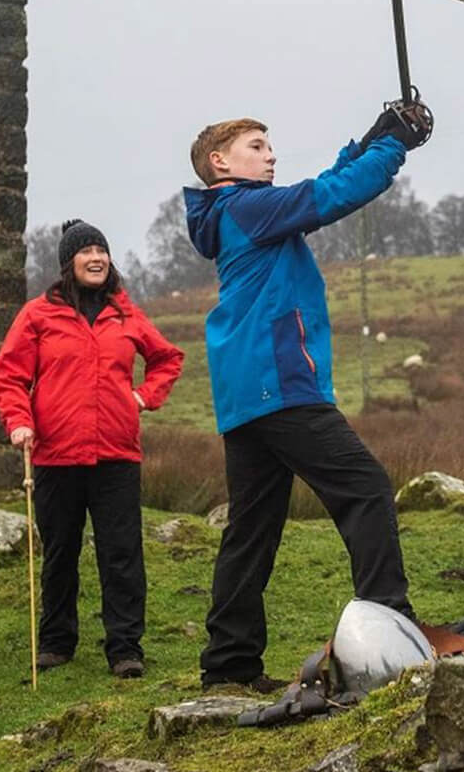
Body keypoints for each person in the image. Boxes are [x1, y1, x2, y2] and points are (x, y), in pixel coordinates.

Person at [183, 103, 430, 690]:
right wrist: (391, 148)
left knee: (252, 529)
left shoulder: (237, 212)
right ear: (220, 162)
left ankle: (228, 665)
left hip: (248, 395)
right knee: (365, 487)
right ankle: (390, 626)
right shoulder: (247, 206)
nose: (270, 156)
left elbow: (323, 183)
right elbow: (330, 195)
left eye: (269, 146)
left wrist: (370, 140)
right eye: (256, 146)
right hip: (281, 383)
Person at [0, 219, 185, 680]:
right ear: (68, 262)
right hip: (55, 455)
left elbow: (167, 359)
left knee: (121, 553)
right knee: (61, 551)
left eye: (102, 250)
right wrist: (19, 421)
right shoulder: (38, 315)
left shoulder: (126, 314)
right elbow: (9, 374)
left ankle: (125, 648)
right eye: (87, 251)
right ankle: (56, 642)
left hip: (116, 454)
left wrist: (142, 397)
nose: (97, 258)